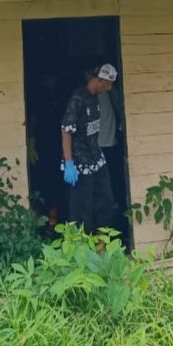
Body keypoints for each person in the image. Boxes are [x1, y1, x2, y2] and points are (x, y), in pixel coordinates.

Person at [60, 63, 118, 233]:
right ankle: (82, 249)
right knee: (81, 207)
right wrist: (69, 163)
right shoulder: (77, 99)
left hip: (96, 157)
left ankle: (102, 244)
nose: (109, 89)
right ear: (99, 80)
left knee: (106, 201)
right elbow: (66, 131)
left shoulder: (94, 97)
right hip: (79, 161)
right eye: (107, 84)